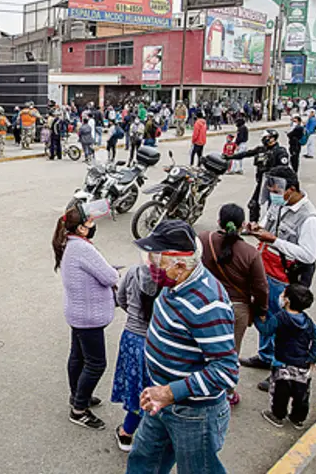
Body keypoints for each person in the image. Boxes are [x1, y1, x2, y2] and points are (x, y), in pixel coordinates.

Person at [125, 220, 238, 474]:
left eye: (157, 259)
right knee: (143, 462)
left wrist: (170, 392)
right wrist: (161, 391)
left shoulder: (209, 305)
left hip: (195, 414)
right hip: (161, 400)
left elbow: (226, 371)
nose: (150, 265)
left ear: (179, 265)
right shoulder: (174, 283)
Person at [240, 166, 316, 393]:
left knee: (281, 324)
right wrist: (255, 228)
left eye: (276, 190)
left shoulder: (310, 219)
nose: (273, 194)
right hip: (265, 268)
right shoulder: (278, 204)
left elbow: (308, 254)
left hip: (286, 277)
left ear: (292, 189)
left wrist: (274, 240)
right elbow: (267, 224)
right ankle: (265, 356)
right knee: (264, 314)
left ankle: (279, 370)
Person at [53, 202, 119, 429]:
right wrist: (114, 271)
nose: (93, 225)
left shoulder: (70, 243)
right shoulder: (83, 248)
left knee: (78, 357)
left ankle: (78, 395)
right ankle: (79, 409)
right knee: (97, 363)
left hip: (78, 313)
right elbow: (110, 277)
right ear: (81, 228)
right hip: (89, 318)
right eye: (90, 222)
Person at [199, 203, 268, 405]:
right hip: (237, 310)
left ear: (219, 221)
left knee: (201, 346)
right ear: (241, 226)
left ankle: (199, 386)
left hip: (205, 303)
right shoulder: (250, 253)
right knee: (230, 352)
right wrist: (260, 310)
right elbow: (261, 287)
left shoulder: (204, 239)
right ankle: (227, 392)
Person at [256, 284, 316, 429]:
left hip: (282, 363)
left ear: (287, 301)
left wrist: (256, 317)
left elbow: (266, 330)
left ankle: (277, 416)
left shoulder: (280, 318)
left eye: (283, 294)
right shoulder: (308, 321)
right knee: (302, 394)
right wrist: (312, 357)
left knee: (280, 392)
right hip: (303, 364)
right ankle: (297, 419)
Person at [111, 263, 158, 451]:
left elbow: (120, 298)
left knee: (136, 389)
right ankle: (154, 434)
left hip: (132, 338)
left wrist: (134, 315)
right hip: (159, 340)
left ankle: (127, 433)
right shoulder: (173, 277)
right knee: (158, 388)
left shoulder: (134, 272)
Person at [225, 129, 289, 222]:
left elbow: (284, 168)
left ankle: (273, 226)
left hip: (274, 184)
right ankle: (253, 224)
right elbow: (246, 154)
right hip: (262, 182)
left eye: (266, 137)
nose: (264, 139)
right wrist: (230, 157)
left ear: (272, 138)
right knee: (253, 204)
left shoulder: (280, 152)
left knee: (274, 207)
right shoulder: (261, 149)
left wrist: (272, 173)